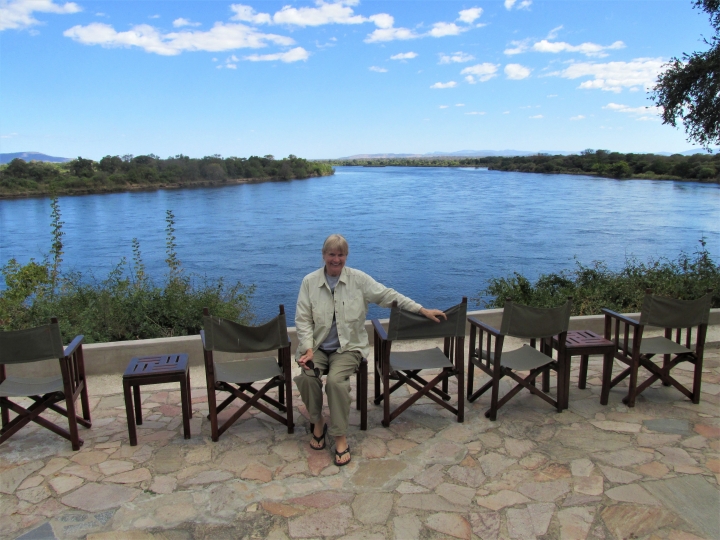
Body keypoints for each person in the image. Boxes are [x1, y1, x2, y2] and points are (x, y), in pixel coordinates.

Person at [294, 234, 446, 466]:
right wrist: (307, 347)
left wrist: (421, 309)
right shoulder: (309, 282)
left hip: (349, 348)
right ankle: (317, 422)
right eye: (332, 254)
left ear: (346, 256)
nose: (336, 259)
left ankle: (340, 436)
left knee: (336, 382)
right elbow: (303, 319)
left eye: (341, 254)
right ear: (323, 255)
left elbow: (388, 296)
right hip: (317, 347)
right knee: (306, 377)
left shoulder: (359, 280)